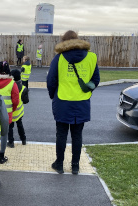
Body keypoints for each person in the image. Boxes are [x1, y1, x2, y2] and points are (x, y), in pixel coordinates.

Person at [47, 30, 100, 175]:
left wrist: (53, 95)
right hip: (82, 102)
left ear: (64, 42)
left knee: (61, 134)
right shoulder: (91, 57)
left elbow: (51, 80)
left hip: (63, 101)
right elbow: (95, 80)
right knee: (77, 135)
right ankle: (75, 165)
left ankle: (59, 164)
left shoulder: (59, 58)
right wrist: (87, 92)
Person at [0, 61, 19, 164]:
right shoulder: (12, 83)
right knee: (4, 134)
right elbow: (16, 100)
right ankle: (1, 155)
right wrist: (12, 108)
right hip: (6, 113)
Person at [7, 69, 29, 148]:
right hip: (19, 113)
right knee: (20, 125)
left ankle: (11, 142)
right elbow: (26, 101)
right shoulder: (24, 88)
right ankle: (23, 140)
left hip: (11, 112)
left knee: (10, 128)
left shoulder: (9, 88)